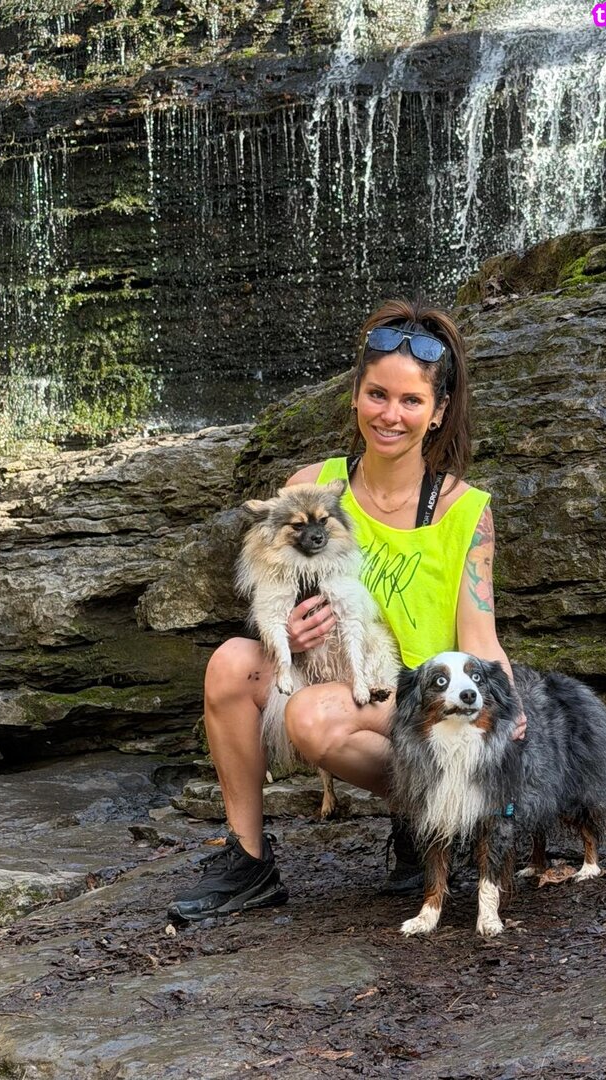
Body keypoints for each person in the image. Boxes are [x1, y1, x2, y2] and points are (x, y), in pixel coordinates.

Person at [167, 297, 525, 923]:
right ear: (356, 396)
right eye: (377, 395)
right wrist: (287, 634)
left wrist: (511, 710)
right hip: (326, 668)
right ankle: (249, 862)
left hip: (416, 698)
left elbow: (480, 636)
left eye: (411, 400)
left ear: (438, 412)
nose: (390, 415)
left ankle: (428, 816)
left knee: (312, 716)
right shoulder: (314, 486)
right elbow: (273, 588)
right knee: (229, 664)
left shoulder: (466, 511)